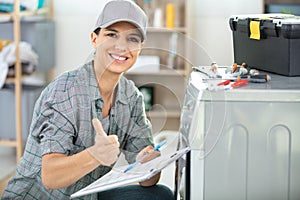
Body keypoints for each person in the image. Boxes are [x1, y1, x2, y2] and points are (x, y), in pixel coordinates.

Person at [2, 0, 174, 199]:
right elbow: (50, 177)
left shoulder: (132, 98)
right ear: (94, 39)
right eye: (111, 34)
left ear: (140, 48)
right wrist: (95, 155)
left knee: (160, 194)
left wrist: (150, 163)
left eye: (132, 39)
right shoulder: (65, 91)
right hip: (38, 197)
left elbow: (147, 180)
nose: (122, 46)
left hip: (85, 195)